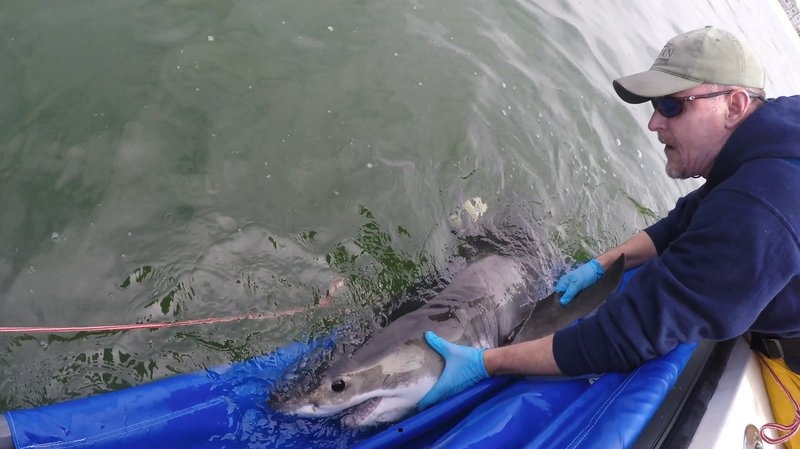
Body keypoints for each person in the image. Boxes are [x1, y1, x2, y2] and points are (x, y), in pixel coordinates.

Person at [417, 26, 800, 441]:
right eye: (656, 104)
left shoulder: (762, 207)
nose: (654, 122)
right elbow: (686, 219)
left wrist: (486, 363)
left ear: (735, 105)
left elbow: (624, 337)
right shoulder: (770, 134)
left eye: (672, 105)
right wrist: (600, 265)